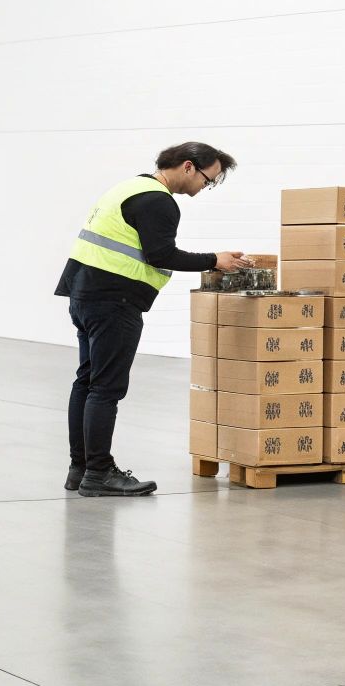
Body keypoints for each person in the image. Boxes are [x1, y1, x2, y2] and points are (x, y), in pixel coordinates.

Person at [55, 142, 253, 496]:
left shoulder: (129, 187)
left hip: (84, 295)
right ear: (189, 167)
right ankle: (98, 473)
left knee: (87, 382)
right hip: (114, 301)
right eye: (210, 179)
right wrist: (214, 260)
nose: (206, 188)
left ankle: (80, 468)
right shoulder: (159, 201)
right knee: (105, 388)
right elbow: (161, 253)